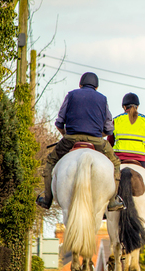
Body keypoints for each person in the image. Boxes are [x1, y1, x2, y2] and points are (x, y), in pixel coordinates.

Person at [36, 72, 125, 211]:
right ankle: (113, 200)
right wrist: (98, 134)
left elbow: (59, 122)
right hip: (96, 140)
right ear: (96, 87)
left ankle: (47, 198)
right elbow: (109, 129)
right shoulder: (102, 99)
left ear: (80, 84)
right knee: (116, 163)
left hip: (71, 138)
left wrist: (66, 135)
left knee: (50, 161)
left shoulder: (71, 95)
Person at [107, 92, 145, 219]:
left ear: (124, 107)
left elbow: (110, 141)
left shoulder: (116, 120)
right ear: (137, 107)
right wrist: (142, 152)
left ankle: (104, 207)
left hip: (119, 158)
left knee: (104, 178)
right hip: (140, 159)